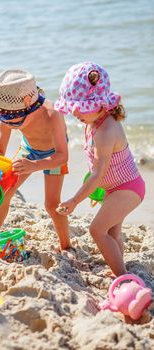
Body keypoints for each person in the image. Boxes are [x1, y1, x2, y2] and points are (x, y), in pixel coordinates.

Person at [55, 62, 145, 276]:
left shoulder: (106, 131)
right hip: (114, 188)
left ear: (100, 104)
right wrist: (100, 190)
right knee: (112, 234)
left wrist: (75, 200)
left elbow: (99, 172)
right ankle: (118, 265)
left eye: (80, 107)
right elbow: (97, 169)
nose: (74, 111)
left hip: (127, 189)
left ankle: (123, 276)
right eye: (73, 106)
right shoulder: (93, 122)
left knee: (97, 230)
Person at [0, 69, 71, 251]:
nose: (7, 122)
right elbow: (0, 146)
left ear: (29, 105)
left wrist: (33, 166)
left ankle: (66, 246)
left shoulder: (52, 115)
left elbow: (62, 156)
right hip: (28, 149)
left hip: (53, 155)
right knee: (3, 194)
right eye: (5, 118)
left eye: (12, 119)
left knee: (51, 204)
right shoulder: (7, 111)